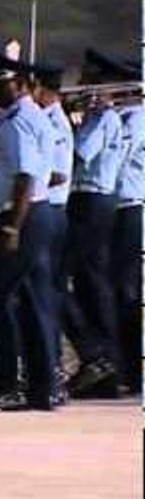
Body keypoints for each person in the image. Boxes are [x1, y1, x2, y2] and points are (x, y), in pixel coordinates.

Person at [0, 52, 57, 410]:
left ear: (21, 86)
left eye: (1, 84)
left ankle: (13, 381)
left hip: (23, 215)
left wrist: (11, 226)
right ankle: (39, 386)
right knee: (28, 302)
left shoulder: (18, 121)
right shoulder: (21, 116)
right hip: (29, 213)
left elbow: (26, 176)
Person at [63, 49, 125, 399]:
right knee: (90, 282)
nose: (81, 84)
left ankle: (96, 355)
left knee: (58, 279)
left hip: (92, 200)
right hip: (92, 200)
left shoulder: (102, 117)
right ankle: (105, 366)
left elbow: (78, 155)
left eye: (87, 79)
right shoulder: (93, 115)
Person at [29, 59, 73, 406]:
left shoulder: (52, 122)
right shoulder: (48, 119)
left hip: (50, 210)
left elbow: (57, 174)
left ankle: (50, 371)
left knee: (42, 293)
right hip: (49, 210)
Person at [112, 57, 143, 395]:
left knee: (125, 290)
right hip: (118, 209)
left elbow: (117, 157)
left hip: (130, 208)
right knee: (116, 288)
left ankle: (130, 368)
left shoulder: (135, 118)